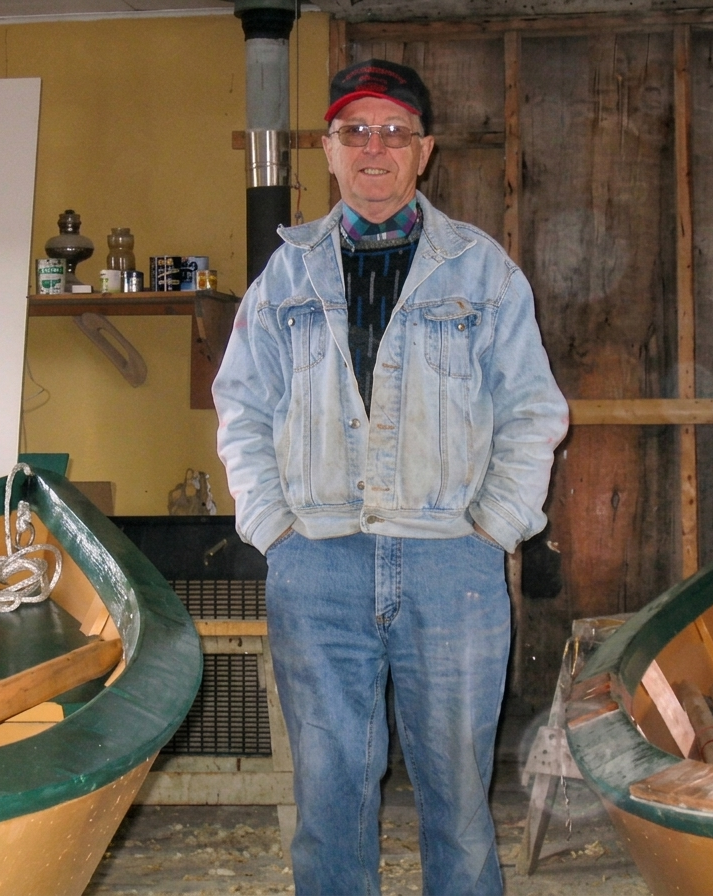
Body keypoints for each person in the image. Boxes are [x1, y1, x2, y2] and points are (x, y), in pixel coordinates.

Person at [213, 58, 569, 896]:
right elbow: (242, 406)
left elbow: (532, 411)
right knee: (329, 792)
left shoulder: (481, 271)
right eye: (355, 131)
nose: (374, 148)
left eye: (394, 132)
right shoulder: (284, 277)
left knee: (457, 793)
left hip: (451, 563)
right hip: (316, 563)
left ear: (423, 151)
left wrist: (491, 527)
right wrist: (272, 525)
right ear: (329, 149)